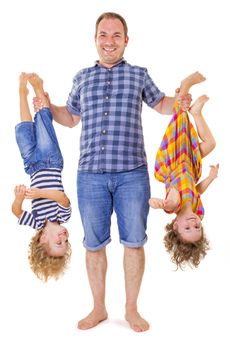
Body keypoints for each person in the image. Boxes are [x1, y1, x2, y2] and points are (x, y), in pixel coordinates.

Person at [33, 12, 192, 332]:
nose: (109, 41)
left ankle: (131, 310)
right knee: (94, 244)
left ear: (126, 40)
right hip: (89, 175)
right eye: (103, 35)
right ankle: (98, 309)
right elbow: (70, 117)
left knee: (134, 242)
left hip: (133, 174)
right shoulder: (82, 77)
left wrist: (181, 101)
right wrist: (49, 107)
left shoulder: (138, 75)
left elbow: (161, 103)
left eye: (116, 35)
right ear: (95, 39)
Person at [149, 72, 219, 269]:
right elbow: (197, 191)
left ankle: (185, 86)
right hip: (191, 165)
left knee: (180, 121)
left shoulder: (174, 206)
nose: (193, 223)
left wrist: (158, 203)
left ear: (175, 226)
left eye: (187, 228)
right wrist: (211, 178)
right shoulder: (198, 210)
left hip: (174, 161)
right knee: (211, 143)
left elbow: (168, 202)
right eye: (197, 227)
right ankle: (196, 113)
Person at [12, 73, 72, 282]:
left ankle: (22, 92)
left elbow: (17, 212)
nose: (64, 239)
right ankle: (39, 88)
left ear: (43, 239)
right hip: (50, 161)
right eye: (66, 243)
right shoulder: (63, 217)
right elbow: (62, 197)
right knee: (44, 123)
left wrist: (19, 197)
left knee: (24, 129)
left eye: (59, 243)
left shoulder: (36, 222)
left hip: (32, 166)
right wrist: (39, 193)